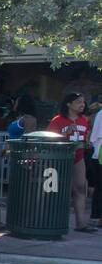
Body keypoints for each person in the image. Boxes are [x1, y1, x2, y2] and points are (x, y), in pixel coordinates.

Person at [48, 91, 95, 232]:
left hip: (78, 157)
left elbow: (85, 137)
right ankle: (53, 221)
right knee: (60, 190)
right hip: (60, 159)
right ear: (69, 104)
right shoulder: (57, 120)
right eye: (79, 102)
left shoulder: (83, 120)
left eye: (83, 102)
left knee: (81, 187)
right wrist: (65, 133)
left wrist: (88, 142)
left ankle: (81, 223)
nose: (82, 104)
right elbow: (48, 139)